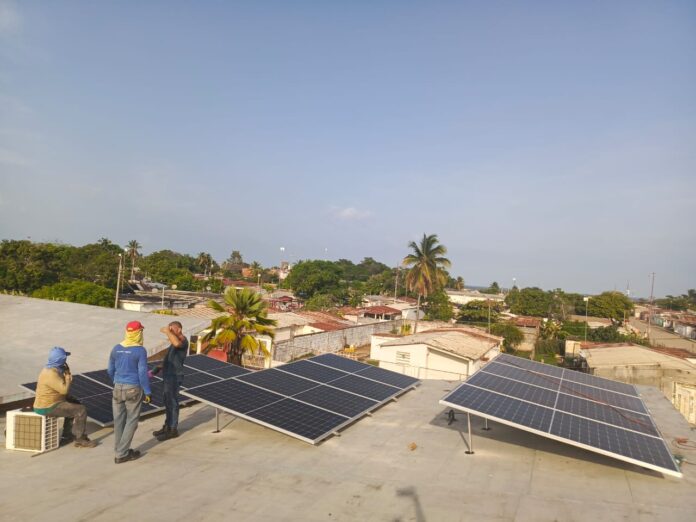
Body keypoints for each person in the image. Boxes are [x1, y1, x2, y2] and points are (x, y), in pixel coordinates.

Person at [33, 347, 97, 448]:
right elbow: (64, 390)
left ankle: (67, 435)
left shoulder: (51, 369)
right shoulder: (51, 374)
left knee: (74, 403)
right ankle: (80, 439)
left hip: (50, 402)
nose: (66, 360)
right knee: (81, 410)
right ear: (61, 360)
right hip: (48, 407)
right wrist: (67, 375)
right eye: (65, 358)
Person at [108, 320, 152, 464]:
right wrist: (147, 391)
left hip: (117, 388)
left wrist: (116, 382)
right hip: (133, 388)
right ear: (138, 333)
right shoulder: (140, 350)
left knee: (118, 421)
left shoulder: (116, 348)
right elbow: (142, 372)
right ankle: (122, 453)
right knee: (132, 421)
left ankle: (120, 449)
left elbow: (110, 370)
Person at [152, 321, 189, 441]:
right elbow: (172, 358)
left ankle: (173, 429)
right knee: (167, 401)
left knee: (172, 402)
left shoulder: (183, 341)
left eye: (172, 330)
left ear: (179, 330)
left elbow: (177, 343)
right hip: (168, 375)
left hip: (174, 376)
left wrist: (167, 331)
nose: (170, 333)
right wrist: (160, 366)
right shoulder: (173, 343)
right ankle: (167, 426)